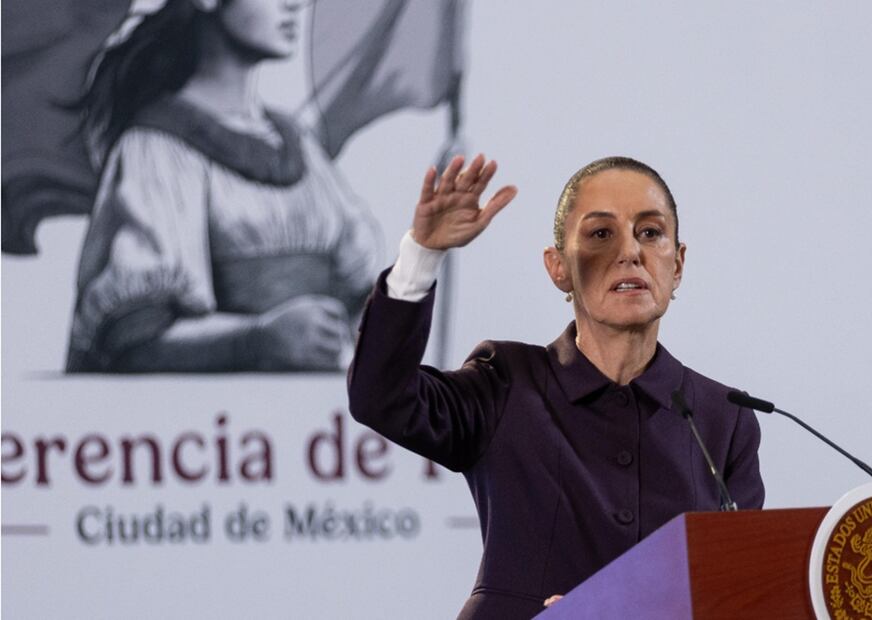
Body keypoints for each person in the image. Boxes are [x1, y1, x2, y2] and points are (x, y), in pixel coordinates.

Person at [348, 154, 764, 619]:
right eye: (601, 234)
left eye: (650, 232)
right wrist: (422, 256)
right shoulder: (505, 381)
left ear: (678, 263)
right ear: (558, 267)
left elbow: (739, 589)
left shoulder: (723, 417)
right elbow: (380, 398)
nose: (630, 252)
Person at [66, 0, 379, 372]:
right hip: (208, 422)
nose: (296, 5)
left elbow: (360, 292)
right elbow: (134, 341)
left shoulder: (299, 145)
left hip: (310, 421)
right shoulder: (157, 148)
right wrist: (257, 339)